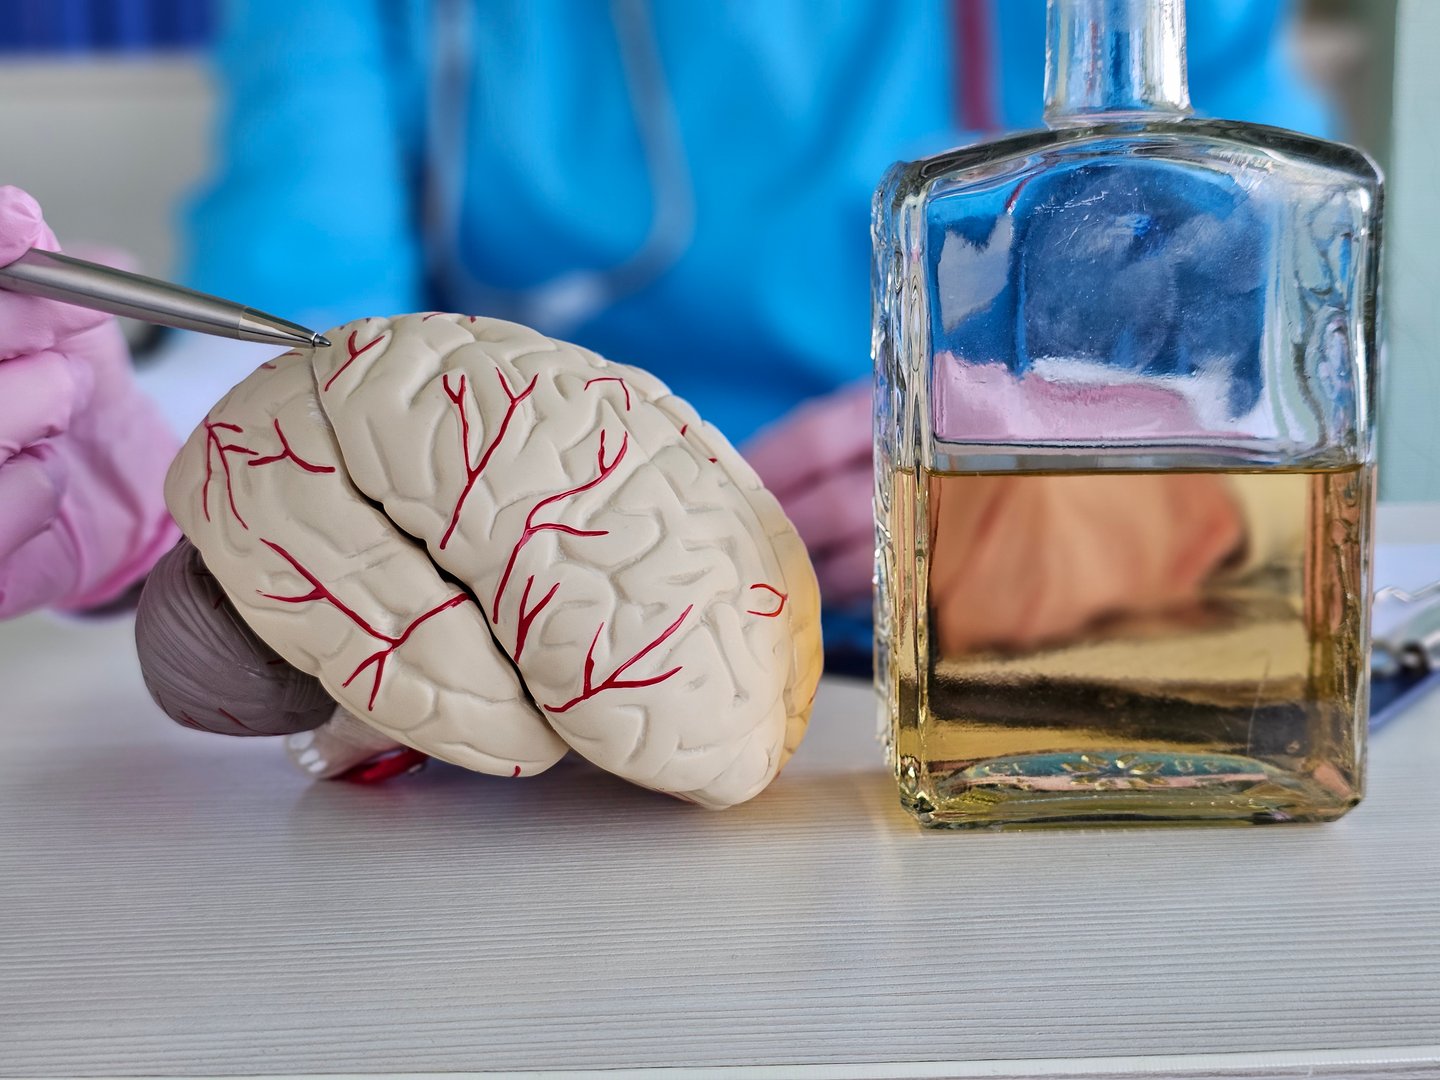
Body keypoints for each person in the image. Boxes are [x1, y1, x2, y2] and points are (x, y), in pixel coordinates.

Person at [0, 0, 1330, 642]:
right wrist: (149, 459)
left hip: (997, 661)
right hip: (539, 660)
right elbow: (289, 336)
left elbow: (1278, 352)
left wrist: (1075, 464)